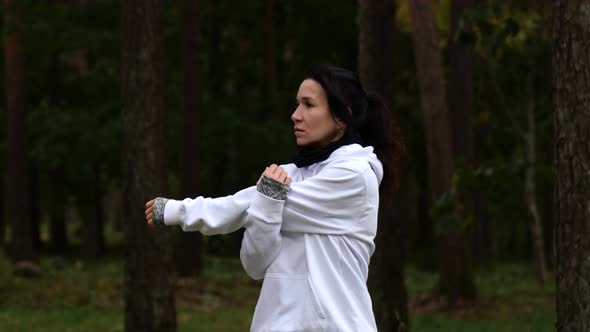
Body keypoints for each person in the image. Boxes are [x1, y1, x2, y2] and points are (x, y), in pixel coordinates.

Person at [144, 64, 404, 332]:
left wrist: (181, 211)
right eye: (296, 104)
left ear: (341, 117)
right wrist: (268, 203)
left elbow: (244, 205)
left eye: (308, 105)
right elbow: (255, 266)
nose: (295, 115)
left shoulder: (355, 176)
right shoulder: (286, 177)